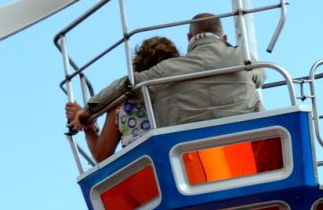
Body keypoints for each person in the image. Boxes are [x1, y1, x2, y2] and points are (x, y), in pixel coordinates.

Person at [85, 13, 265, 128]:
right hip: (247, 134)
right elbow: (261, 77)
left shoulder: (167, 69)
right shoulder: (242, 56)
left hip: (187, 151)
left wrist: (88, 110)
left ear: (189, 38)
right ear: (223, 37)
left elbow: (126, 84)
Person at [66, 37, 180, 161]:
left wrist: (88, 126)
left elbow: (101, 155)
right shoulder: (185, 91)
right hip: (184, 158)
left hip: (143, 167)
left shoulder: (121, 105)